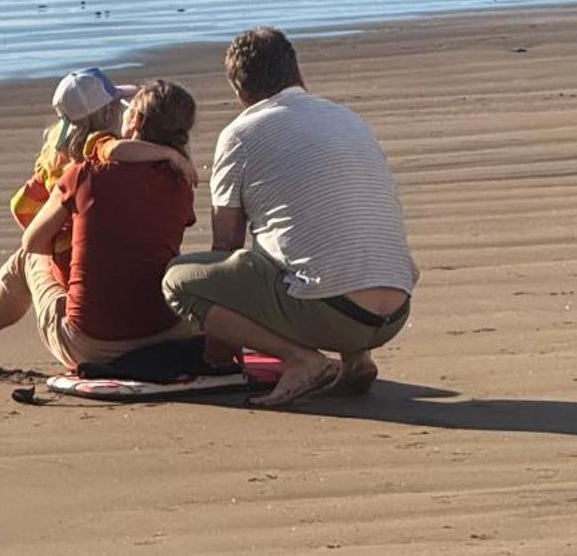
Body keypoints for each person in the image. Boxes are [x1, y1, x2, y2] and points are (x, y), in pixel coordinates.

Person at [162, 27, 417, 409]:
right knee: (311, 232)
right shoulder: (347, 118)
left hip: (332, 312)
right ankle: (356, 358)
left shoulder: (240, 135)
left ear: (239, 92)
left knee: (178, 281)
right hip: (396, 310)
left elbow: (226, 244)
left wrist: (218, 345)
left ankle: (303, 361)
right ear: (297, 73)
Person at [0, 70, 196, 372]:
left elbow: (32, 242)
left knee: (26, 258)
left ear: (133, 122)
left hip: (89, 344)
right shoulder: (182, 182)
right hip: (161, 334)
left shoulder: (84, 172)